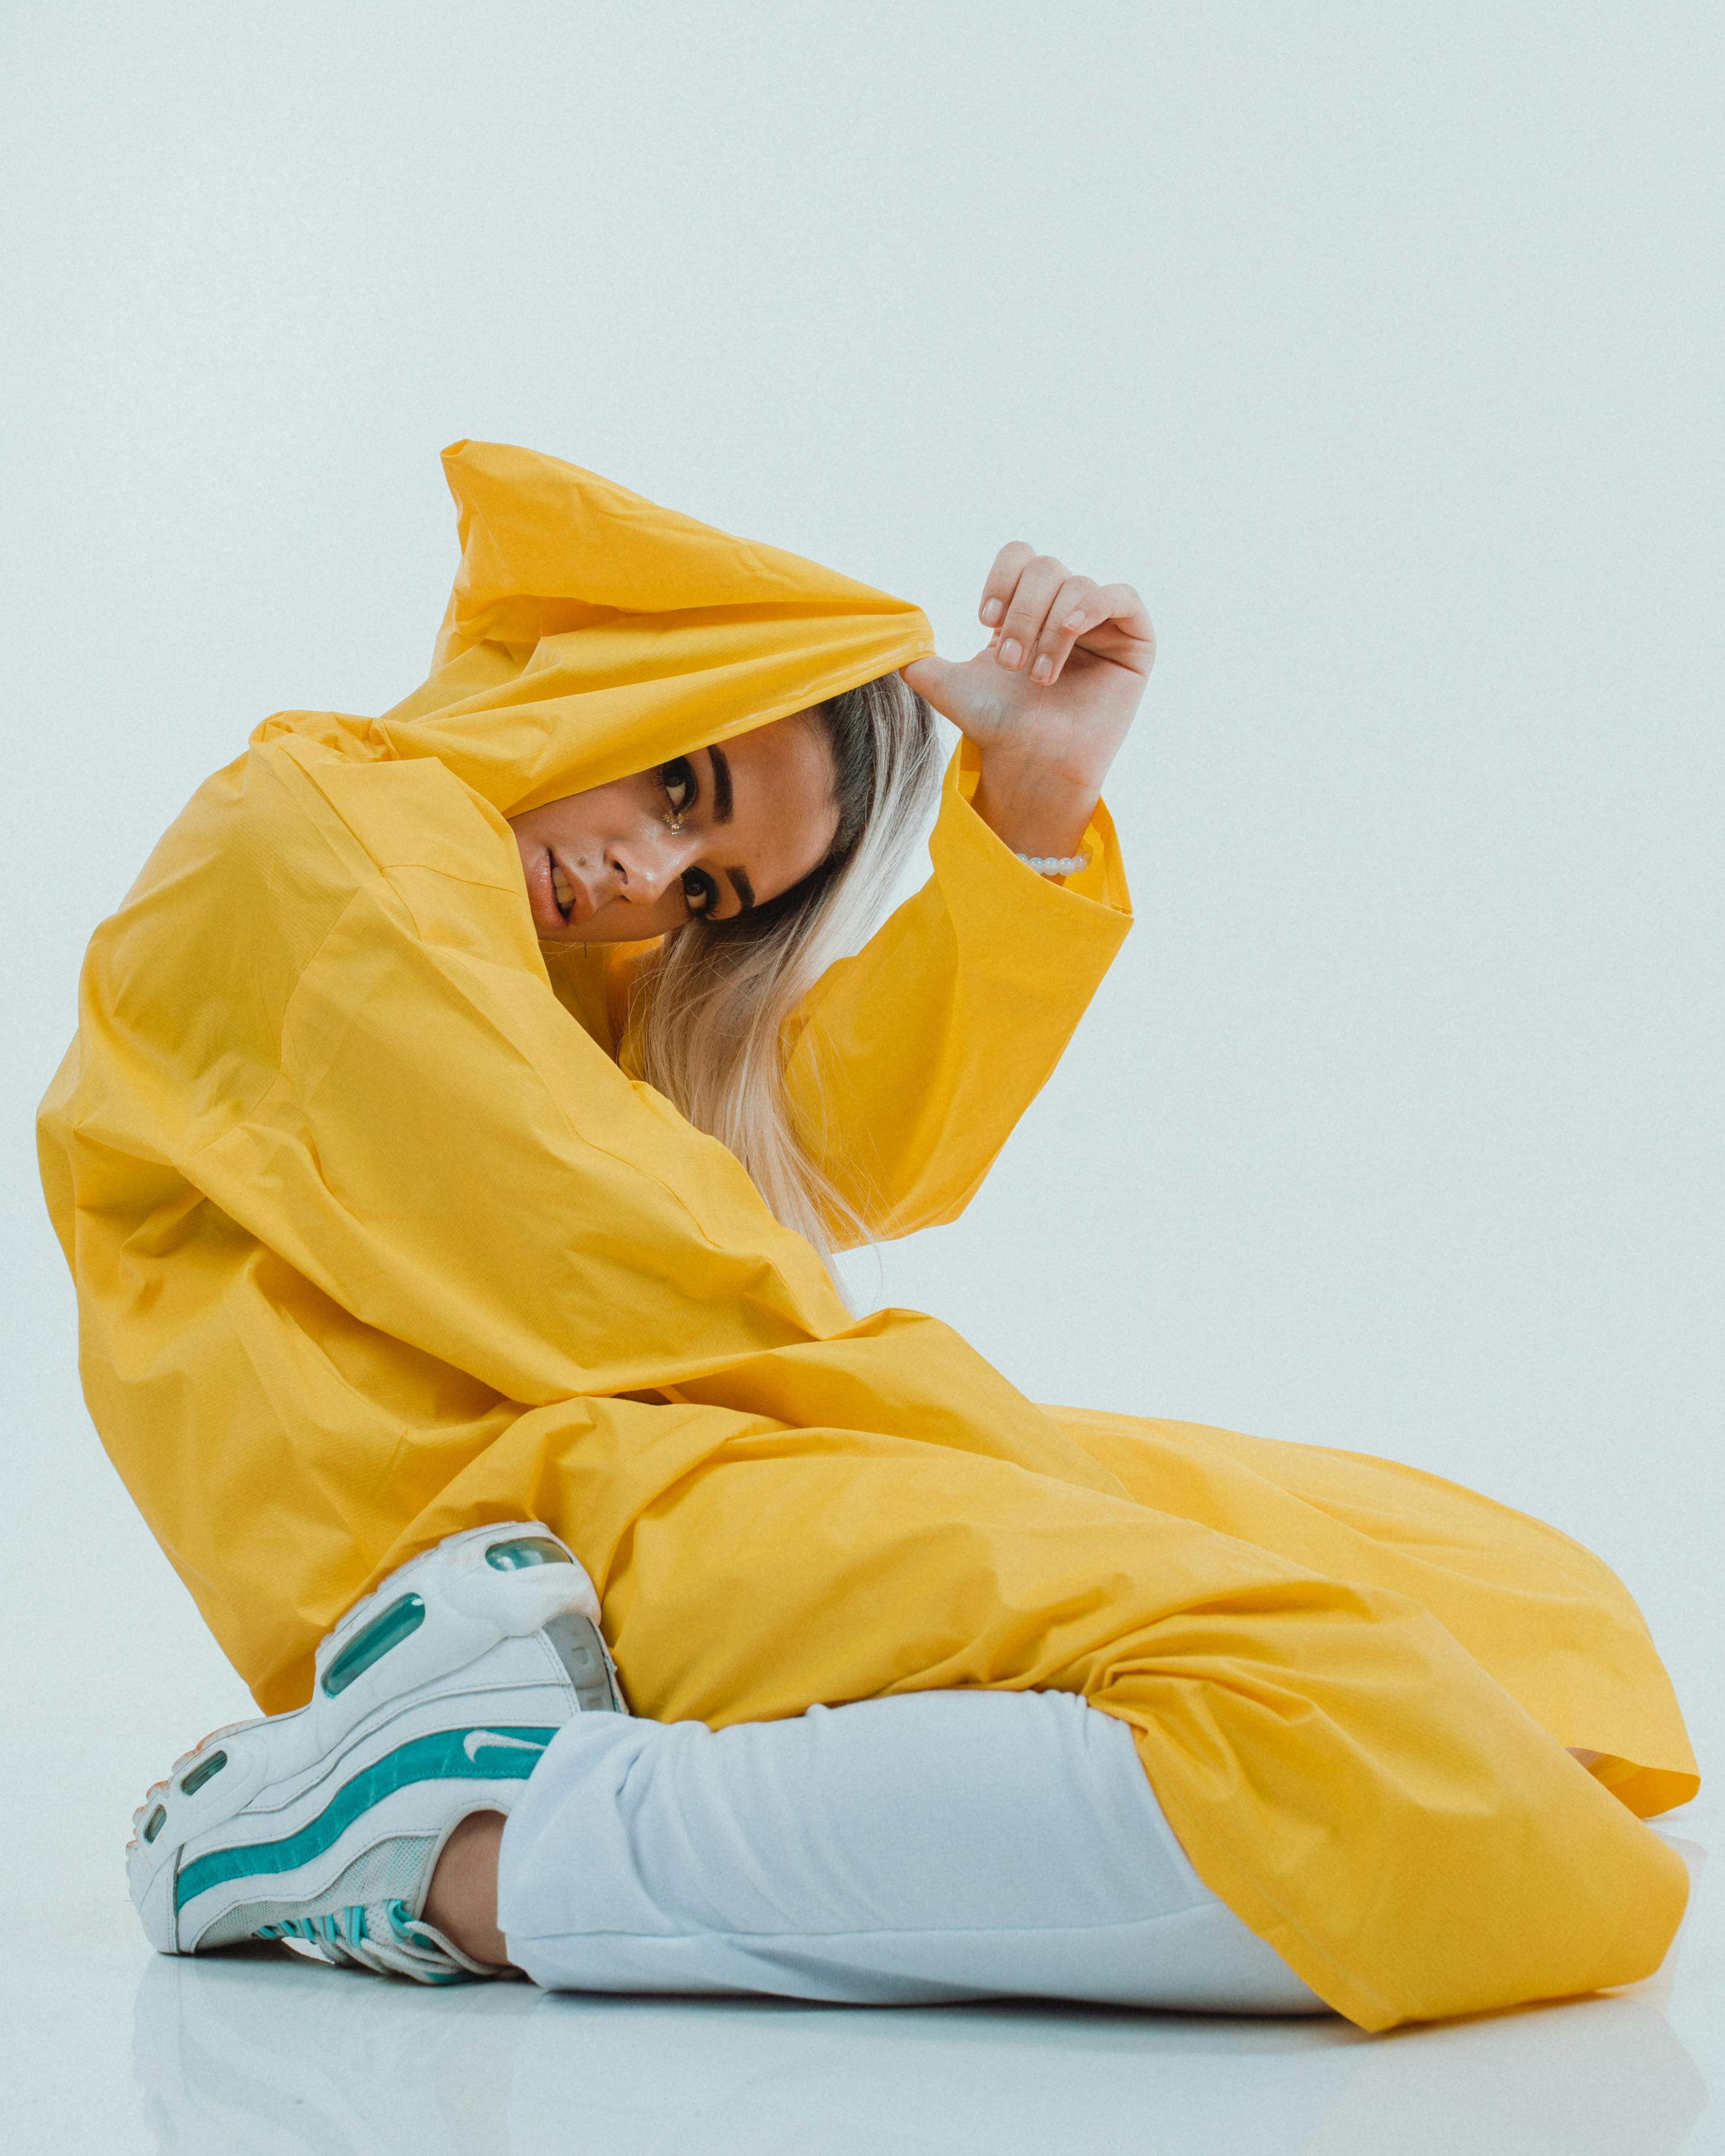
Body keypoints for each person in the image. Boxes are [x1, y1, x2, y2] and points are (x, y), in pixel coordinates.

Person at [40, 441, 1696, 2031]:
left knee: (1537, 1635)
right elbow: (603, 1239)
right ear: (609, 672)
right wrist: (957, 1438)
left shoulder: (562, 974)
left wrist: (1032, 805)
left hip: (633, 1467)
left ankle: (461, 1787)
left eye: (706, 890)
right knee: (1362, 1759)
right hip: (476, 1526)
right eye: (681, 784)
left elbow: (823, 1149)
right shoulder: (321, 823)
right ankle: (458, 1861)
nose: (645, 877)